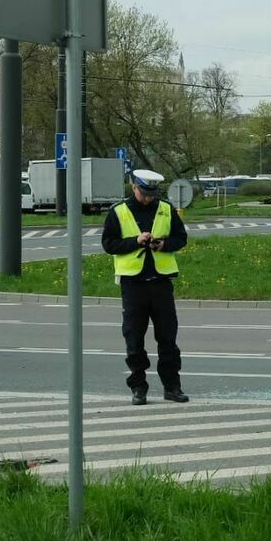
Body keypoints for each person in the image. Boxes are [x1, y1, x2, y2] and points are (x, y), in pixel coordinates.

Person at [101, 169, 189, 406]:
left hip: (161, 283)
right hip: (133, 285)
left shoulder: (165, 208)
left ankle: (172, 387)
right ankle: (138, 388)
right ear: (133, 187)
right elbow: (108, 244)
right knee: (134, 340)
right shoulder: (118, 212)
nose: (148, 198)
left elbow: (181, 238)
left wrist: (164, 244)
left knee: (168, 339)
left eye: (152, 194)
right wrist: (135, 242)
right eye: (144, 193)